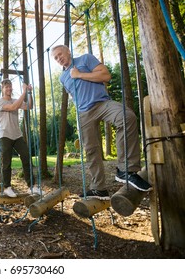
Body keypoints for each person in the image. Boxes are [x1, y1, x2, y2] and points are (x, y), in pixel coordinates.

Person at [51, 45, 151, 200]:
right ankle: (99, 189)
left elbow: (105, 75)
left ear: (68, 51)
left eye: (60, 54)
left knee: (127, 117)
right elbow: (72, 94)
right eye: (55, 58)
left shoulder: (85, 59)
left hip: (102, 103)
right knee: (90, 149)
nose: (59, 59)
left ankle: (126, 170)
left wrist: (79, 74)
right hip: (84, 113)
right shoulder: (62, 78)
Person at [0, 79, 40, 197]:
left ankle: (32, 186)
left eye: (10, 86)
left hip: (17, 135)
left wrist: (29, 93)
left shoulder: (16, 100)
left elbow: (29, 106)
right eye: (6, 87)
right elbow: (13, 107)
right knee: (6, 162)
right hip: (5, 135)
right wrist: (24, 92)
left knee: (26, 157)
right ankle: (7, 187)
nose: (9, 89)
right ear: (2, 89)